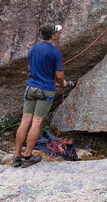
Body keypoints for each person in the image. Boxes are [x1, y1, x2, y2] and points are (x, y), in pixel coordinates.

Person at [13, 23, 67, 168]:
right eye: (57, 33)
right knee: (36, 123)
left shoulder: (32, 49)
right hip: (45, 90)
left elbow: (32, 68)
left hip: (30, 88)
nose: (59, 34)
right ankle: (28, 156)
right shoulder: (55, 52)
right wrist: (63, 84)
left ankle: (17, 157)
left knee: (24, 122)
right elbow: (59, 75)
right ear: (53, 36)